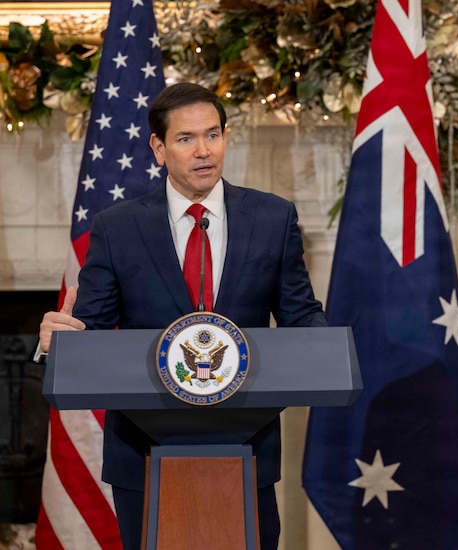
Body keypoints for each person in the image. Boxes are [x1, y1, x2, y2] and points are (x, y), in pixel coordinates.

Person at [37, 82, 327, 549]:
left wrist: (331, 350)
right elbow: (89, 334)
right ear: (159, 147)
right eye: (186, 139)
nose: (203, 151)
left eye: (213, 135)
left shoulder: (273, 218)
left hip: (246, 446)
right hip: (144, 452)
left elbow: (300, 314)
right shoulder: (117, 227)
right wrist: (61, 342)